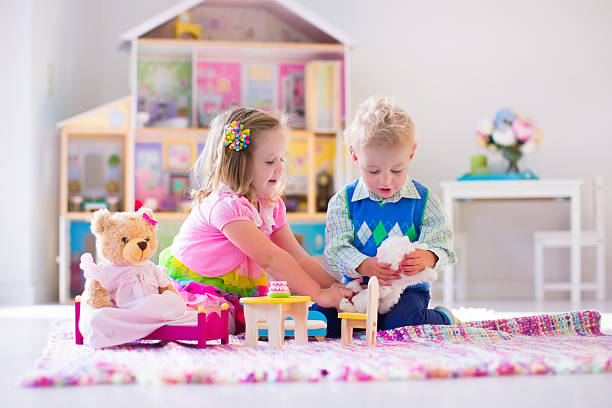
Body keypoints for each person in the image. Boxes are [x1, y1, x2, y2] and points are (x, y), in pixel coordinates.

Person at [159, 107, 351, 333]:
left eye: (281, 158)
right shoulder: (225, 206)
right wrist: (318, 294)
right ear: (239, 163)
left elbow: (298, 256)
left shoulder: (270, 205)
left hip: (234, 292)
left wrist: (336, 287)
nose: (280, 168)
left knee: (255, 323)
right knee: (218, 326)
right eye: (270, 161)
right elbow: (270, 258)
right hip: (199, 287)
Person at [316, 96, 458, 337]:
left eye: (396, 170)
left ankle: (443, 317)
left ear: (411, 155)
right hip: (357, 289)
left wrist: (428, 257)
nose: (385, 180)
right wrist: (363, 265)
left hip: (406, 291)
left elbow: (443, 242)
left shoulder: (423, 200)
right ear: (355, 156)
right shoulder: (344, 201)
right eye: (373, 171)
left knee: (402, 323)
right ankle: (374, 324)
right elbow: (335, 249)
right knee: (323, 321)